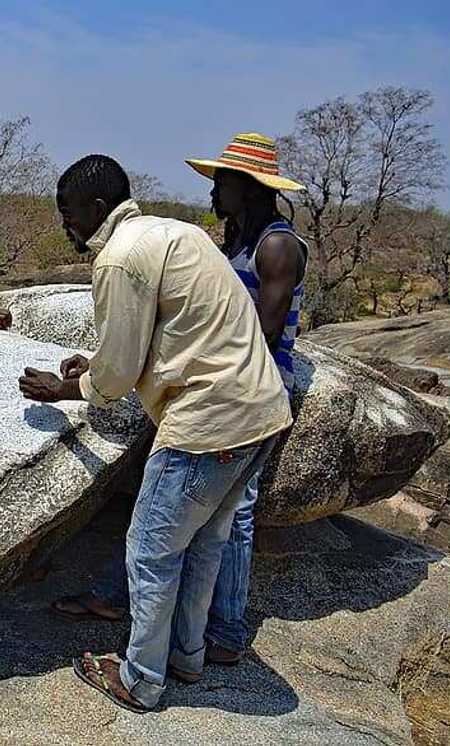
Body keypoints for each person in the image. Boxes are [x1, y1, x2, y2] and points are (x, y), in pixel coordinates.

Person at [19, 155, 291, 712]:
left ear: (96, 210)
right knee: (205, 543)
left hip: (207, 422)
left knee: (149, 551)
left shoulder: (119, 258)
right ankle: (187, 656)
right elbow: (170, 333)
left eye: (68, 214)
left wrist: (68, 388)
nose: (66, 225)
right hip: (260, 410)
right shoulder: (176, 232)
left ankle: (141, 678)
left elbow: (118, 373)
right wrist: (95, 364)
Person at [186, 132, 308, 665]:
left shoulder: (277, 245)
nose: (213, 192)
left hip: (253, 388)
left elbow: (265, 329)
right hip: (225, 380)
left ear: (250, 187)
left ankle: (228, 629)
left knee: (235, 510)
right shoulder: (236, 239)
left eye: (222, 182)